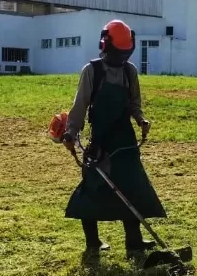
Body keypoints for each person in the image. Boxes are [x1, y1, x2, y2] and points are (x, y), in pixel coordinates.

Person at [61, 19, 167, 260]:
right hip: (100, 141)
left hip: (125, 140)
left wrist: (141, 120)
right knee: (92, 189)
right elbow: (80, 106)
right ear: (105, 45)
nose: (121, 58)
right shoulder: (92, 71)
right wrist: (71, 132)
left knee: (132, 187)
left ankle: (134, 242)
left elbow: (134, 104)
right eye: (118, 53)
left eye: (125, 54)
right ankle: (93, 243)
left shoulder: (130, 72)